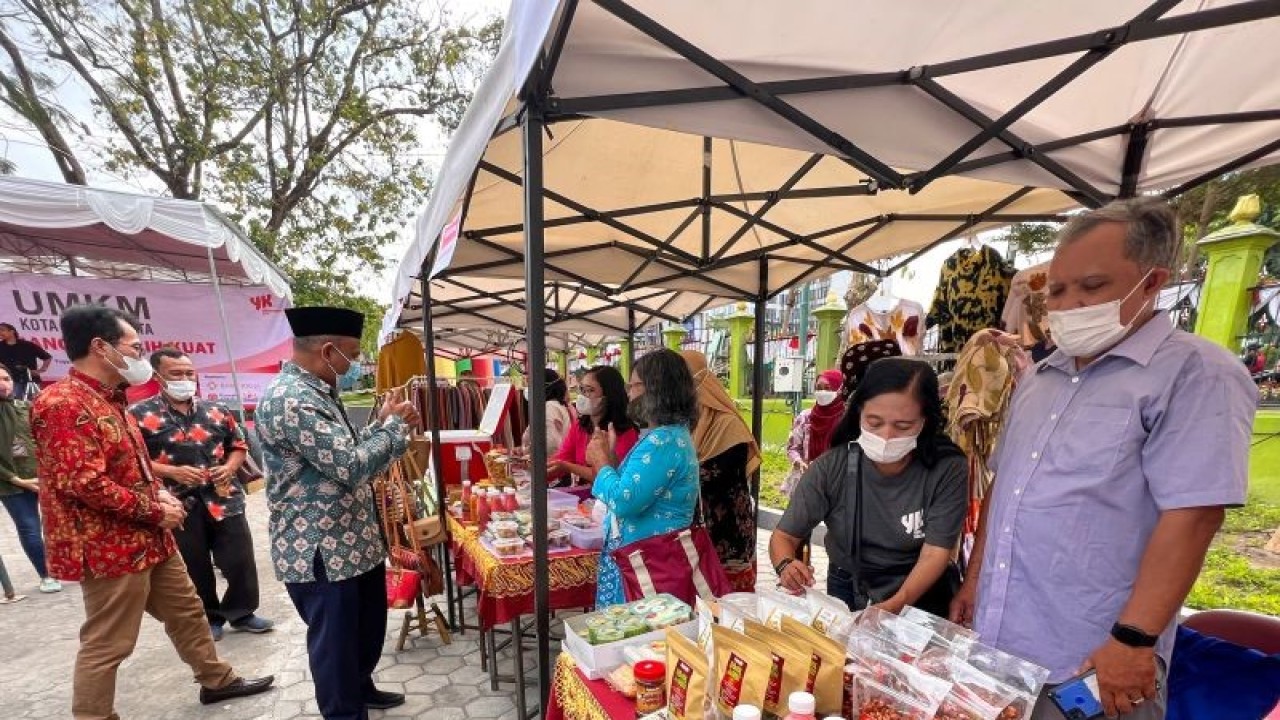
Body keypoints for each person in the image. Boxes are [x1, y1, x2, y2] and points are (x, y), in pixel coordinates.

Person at [948, 198, 1258, 720]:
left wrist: (1133, 640)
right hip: (1000, 648)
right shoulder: (1039, 378)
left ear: (1152, 281)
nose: (1068, 306)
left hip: (1093, 660)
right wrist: (975, 580)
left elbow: (1195, 515)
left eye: (1092, 287)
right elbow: (1007, 486)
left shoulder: (1196, 374)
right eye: (1058, 291)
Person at [30, 305, 273, 720]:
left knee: (188, 612)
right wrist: (153, 508)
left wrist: (159, 497)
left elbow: (132, 470)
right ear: (100, 347)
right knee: (109, 643)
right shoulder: (64, 404)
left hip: (149, 537)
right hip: (108, 545)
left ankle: (216, 680)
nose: (141, 357)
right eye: (136, 347)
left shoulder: (111, 400)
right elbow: (83, 483)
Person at [256, 306, 419, 720]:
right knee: (335, 644)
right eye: (354, 353)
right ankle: (344, 711)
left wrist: (381, 425)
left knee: (364, 630)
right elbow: (350, 467)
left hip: (351, 540)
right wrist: (394, 430)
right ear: (328, 351)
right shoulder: (292, 400)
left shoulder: (318, 390)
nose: (358, 363)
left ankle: (360, 688)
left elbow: (340, 453)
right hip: (321, 548)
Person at [770, 358, 967, 616]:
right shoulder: (831, 466)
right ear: (858, 413)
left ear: (926, 421)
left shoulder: (947, 468)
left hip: (921, 590)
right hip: (848, 583)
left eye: (903, 426)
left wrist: (895, 605)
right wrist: (786, 565)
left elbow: (934, 554)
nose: (886, 436)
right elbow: (784, 536)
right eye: (874, 423)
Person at [129, 348, 272, 641]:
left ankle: (242, 612)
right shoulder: (138, 416)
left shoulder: (216, 410)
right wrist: (171, 472)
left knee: (239, 559)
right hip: (177, 502)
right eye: (176, 374)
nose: (185, 379)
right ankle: (211, 617)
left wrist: (229, 468)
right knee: (194, 564)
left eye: (189, 373)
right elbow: (133, 459)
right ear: (158, 376)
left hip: (223, 497)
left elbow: (238, 446)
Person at [587, 349, 700, 607]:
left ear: (655, 389)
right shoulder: (665, 436)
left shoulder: (663, 441)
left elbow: (625, 502)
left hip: (648, 564)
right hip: (643, 560)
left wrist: (601, 461)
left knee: (635, 638)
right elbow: (632, 489)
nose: (628, 392)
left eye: (633, 385)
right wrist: (611, 460)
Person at [680, 350, 763, 592]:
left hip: (728, 526)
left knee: (730, 598)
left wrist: (673, 476)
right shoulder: (688, 423)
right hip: (696, 525)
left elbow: (721, 477)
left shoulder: (729, 425)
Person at [0, 363, 59, 593]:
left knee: (62, 524)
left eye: (6, 378)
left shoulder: (26, 407)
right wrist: (17, 479)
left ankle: (73, 566)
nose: (3, 383)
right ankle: (47, 575)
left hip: (43, 478)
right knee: (29, 528)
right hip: (11, 484)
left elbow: (48, 441)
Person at [548, 365, 639, 487]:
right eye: (583, 390)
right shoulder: (580, 426)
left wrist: (567, 467)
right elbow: (563, 457)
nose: (584, 396)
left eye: (590, 390)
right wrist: (535, 466)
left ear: (609, 394)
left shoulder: (625, 432)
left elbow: (611, 475)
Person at [783, 368, 846, 497]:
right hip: (807, 482)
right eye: (818, 388)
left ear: (839, 390)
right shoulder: (805, 417)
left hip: (837, 486)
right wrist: (799, 462)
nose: (822, 392)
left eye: (828, 388)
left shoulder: (847, 420)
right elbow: (793, 447)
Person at [522, 368, 572, 457]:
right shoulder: (559, 405)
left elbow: (551, 445)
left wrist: (527, 453)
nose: (527, 389)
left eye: (530, 384)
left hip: (548, 466)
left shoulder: (550, 407)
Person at [0, 323, 52, 399]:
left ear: (12, 331)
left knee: (35, 404)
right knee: (15, 406)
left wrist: (41, 370)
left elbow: (47, 357)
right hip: (11, 381)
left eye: (2, 330)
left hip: (32, 380)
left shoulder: (28, 345)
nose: (0, 333)